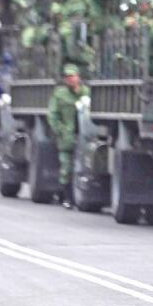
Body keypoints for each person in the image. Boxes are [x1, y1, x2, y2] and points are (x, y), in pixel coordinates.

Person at [47, 64, 90, 208]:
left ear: (78, 77)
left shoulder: (87, 93)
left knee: (84, 168)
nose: (70, 79)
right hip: (67, 138)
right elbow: (52, 115)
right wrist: (61, 130)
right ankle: (67, 198)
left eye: (72, 76)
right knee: (66, 168)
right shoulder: (60, 94)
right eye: (67, 77)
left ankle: (81, 196)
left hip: (85, 137)